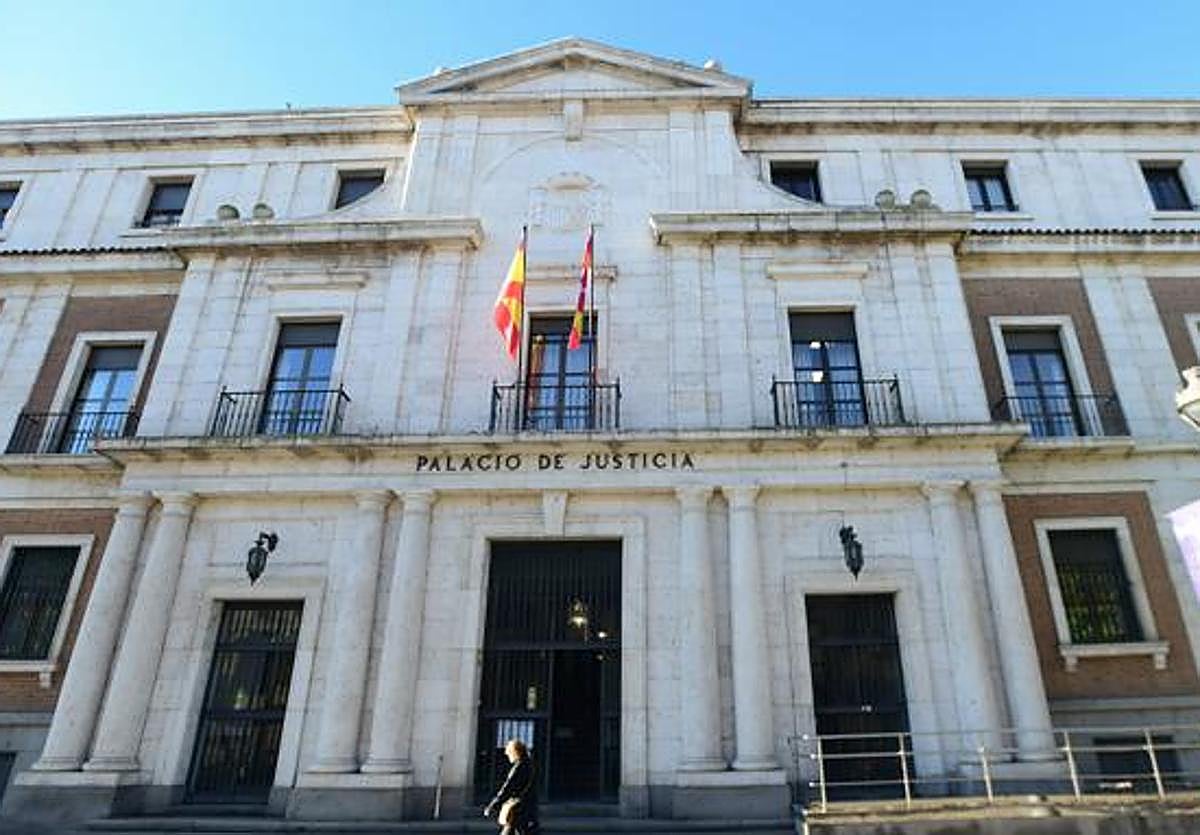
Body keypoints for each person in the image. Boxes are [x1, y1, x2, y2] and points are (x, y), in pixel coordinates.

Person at [483, 738, 539, 834]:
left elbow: (508, 787)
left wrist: (493, 805)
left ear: (515, 752)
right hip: (528, 808)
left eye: (508, 752)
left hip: (519, 810)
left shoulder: (519, 767)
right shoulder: (529, 764)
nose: (506, 754)